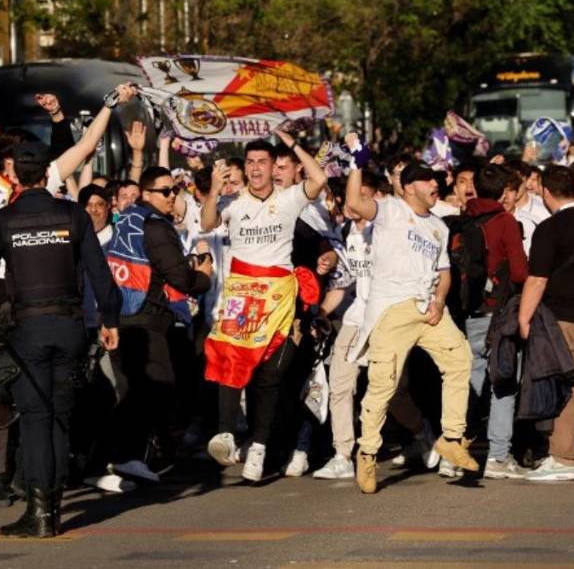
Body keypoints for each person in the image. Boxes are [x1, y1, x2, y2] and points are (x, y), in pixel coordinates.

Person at [0, 82, 138, 507]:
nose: (15, 163)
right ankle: (5, 472)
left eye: (20, 157)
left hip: (50, 298)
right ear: (1, 164)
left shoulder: (48, 186)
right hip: (5, 297)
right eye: (8, 156)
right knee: (3, 386)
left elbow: (86, 145)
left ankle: (40, 486)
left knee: (47, 401)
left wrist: (106, 106)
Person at [0, 141, 121, 538]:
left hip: (28, 328)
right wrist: (110, 318)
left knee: (35, 419)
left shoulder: (1, 220)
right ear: (47, 172)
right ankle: (54, 508)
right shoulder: (73, 214)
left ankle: (40, 513)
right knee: (60, 416)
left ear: (14, 174)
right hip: (68, 327)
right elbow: (101, 273)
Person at [200, 132, 327, 482]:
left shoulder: (289, 200)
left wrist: (295, 142)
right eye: (251, 162)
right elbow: (208, 222)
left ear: (274, 168)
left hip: (277, 298)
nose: (256, 169)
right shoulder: (235, 203)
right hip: (241, 295)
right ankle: (226, 433)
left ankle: (258, 447)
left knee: (270, 375)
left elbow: (319, 179)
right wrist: (213, 190)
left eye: (262, 162)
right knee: (229, 358)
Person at [344, 162, 477, 494]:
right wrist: (356, 166)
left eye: (436, 180)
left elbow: (444, 271)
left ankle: (451, 439)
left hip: (428, 307)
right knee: (382, 386)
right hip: (391, 309)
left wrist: (440, 300)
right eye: (427, 181)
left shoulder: (438, 227)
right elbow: (355, 204)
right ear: (409, 188)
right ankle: (369, 452)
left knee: (460, 359)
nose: (435, 185)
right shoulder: (390, 209)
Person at [312, 169, 436, 480]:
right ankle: (342, 453)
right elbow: (343, 284)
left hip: (388, 319)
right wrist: (322, 313)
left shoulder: (393, 229)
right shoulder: (344, 234)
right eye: (350, 200)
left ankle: (422, 432)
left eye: (363, 197)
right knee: (340, 385)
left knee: (393, 392)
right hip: (356, 319)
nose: (355, 205)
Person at [106, 166, 213, 482]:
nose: (172, 196)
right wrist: (204, 275)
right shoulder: (154, 226)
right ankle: (127, 455)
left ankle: (128, 457)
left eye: (175, 190)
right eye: (165, 191)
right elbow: (179, 276)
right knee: (157, 387)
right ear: (146, 194)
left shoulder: (129, 219)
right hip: (145, 316)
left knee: (138, 388)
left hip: (125, 315)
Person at [519, 165, 574, 481]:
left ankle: (563, 459)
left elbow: (537, 279)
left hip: (561, 318)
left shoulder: (550, 228)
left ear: (545, 192)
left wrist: (524, 317)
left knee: (564, 386)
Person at [458, 164, 528, 479]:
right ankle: (499, 456)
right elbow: (519, 273)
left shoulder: (464, 220)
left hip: (470, 310)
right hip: (499, 312)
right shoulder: (506, 221)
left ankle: (456, 449)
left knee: (470, 382)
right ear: (503, 193)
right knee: (503, 382)